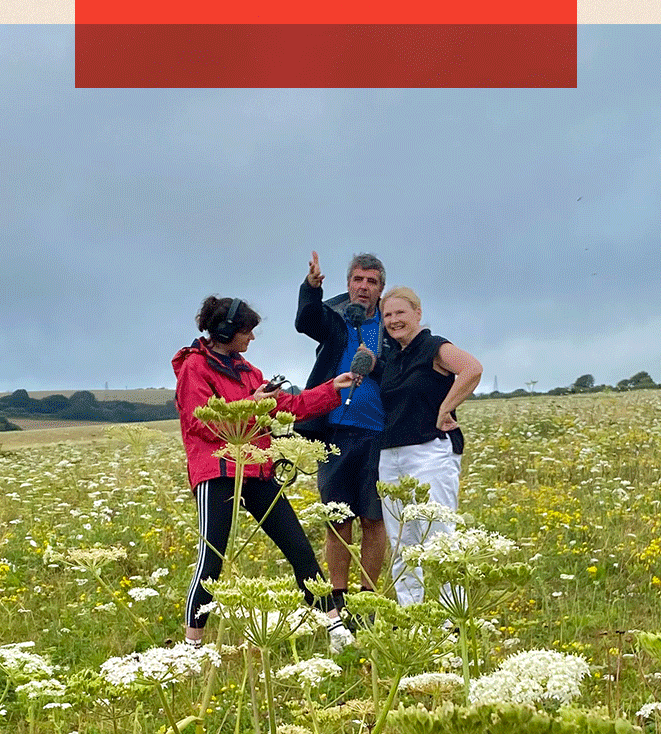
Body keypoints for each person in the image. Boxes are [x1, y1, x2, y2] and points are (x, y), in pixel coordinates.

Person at [171, 295, 358, 643]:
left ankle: (335, 629)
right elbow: (199, 423)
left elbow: (289, 406)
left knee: (299, 548)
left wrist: (332, 389)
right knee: (211, 562)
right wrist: (249, 405)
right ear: (225, 330)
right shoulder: (194, 368)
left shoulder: (249, 371)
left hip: (257, 470)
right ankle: (191, 647)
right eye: (246, 331)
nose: (251, 339)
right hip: (216, 473)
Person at [374, 287, 483, 606]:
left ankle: (454, 616)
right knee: (401, 539)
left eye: (400, 313)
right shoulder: (393, 355)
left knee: (439, 534)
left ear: (417, 314)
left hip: (430, 451)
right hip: (390, 455)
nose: (394, 321)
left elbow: (472, 368)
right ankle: (412, 614)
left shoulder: (432, 346)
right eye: (388, 315)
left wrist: (446, 407)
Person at [295, 250, 389, 616]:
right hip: (334, 430)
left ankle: (366, 600)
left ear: (381, 289)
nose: (364, 287)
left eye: (372, 282)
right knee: (338, 517)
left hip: (380, 433)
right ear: (348, 284)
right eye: (358, 280)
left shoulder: (391, 322)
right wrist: (311, 287)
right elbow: (305, 322)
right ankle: (337, 598)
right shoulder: (333, 317)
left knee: (373, 518)